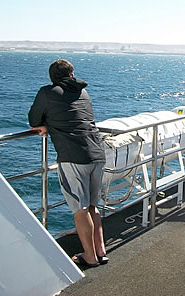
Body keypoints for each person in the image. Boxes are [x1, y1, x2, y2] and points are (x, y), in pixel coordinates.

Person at [29, 59, 108, 268]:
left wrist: (45, 125)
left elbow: (33, 119)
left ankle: (90, 257)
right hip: (97, 153)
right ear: (72, 74)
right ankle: (100, 251)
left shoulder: (47, 92)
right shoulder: (83, 92)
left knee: (80, 209)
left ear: (51, 77)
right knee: (93, 206)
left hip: (73, 156)